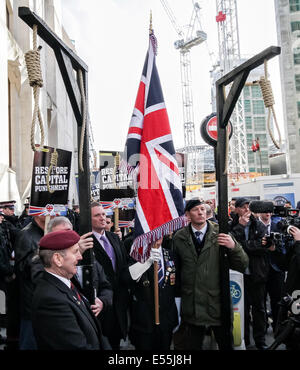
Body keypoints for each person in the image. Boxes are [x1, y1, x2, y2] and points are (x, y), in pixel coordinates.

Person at [172, 199, 249, 350]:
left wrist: (233, 247)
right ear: (187, 214)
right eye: (195, 210)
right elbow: (176, 269)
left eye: (202, 209)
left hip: (217, 304)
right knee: (192, 345)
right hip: (192, 305)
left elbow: (243, 264)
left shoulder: (221, 232)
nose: (200, 212)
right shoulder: (179, 238)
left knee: (225, 344)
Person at [32, 229, 107, 350]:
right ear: (58, 259)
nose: (80, 256)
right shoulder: (51, 301)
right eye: (75, 251)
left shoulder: (66, 283)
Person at [46, 216, 113, 322]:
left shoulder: (88, 256)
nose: (67, 239)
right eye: (61, 236)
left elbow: (106, 286)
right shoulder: (45, 260)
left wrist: (102, 301)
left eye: (69, 233)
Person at [229, 197, 269, 350]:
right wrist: (240, 227)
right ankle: (244, 340)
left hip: (256, 273)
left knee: (259, 309)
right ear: (237, 209)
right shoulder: (232, 224)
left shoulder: (258, 224)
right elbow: (230, 245)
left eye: (248, 207)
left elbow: (261, 246)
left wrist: (243, 245)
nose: (247, 210)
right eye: (243, 207)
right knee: (241, 310)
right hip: (238, 275)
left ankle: (261, 340)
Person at [91, 202, 130, 350]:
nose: (102, 218)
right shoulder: (85, 241)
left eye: (103, 214)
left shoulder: (114, 238)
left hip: (119, 303)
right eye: (97, 215)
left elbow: (124, 264)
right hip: (100, 304)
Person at [127, 237, 178, 350]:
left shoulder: (170, 254)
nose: (156, 237)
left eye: (159, 233)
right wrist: (147, 262)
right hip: (144, 321)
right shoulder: (136, 255)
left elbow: (175, 286)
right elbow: (126, 278)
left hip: (166, 319)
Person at [14, 215, 50, 350]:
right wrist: (42, 254)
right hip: (32, 303)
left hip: (48, 301)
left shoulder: (51, 231)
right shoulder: (26, 235)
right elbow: (22, 269)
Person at [259, 211, 286, 332]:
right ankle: (262, 326)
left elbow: (285, 248)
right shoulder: (253, 226)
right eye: (265, 211)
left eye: (270, 211)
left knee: (277, 301)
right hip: (259, 269)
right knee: (260, 302)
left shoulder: (279, 226)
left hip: (276, 270)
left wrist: (275, 248)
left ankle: (277, 327)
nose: (268, 214)